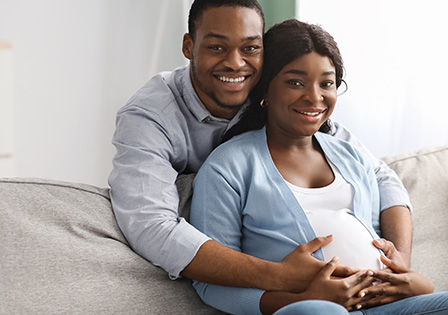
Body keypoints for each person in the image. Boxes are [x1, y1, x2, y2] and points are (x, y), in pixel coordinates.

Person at [190, 19, 448, 315]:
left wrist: (411, 276)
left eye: (327, 83)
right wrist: (300, 298)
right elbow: (211, 285)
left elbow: (391, 190)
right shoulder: (230, 166)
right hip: (310, 310)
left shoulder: (349, 154)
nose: (315, 97)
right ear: (265, 91)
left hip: (391, 306)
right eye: (295, 82)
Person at [107, 0, 412, 303]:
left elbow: (380, 175)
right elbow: (151, 226)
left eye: (250, 48)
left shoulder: (280, 94)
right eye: (217, 47)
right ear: (189, 46)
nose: (236, 63)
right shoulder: (151, 115)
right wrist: (280, 276)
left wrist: (398, 264)